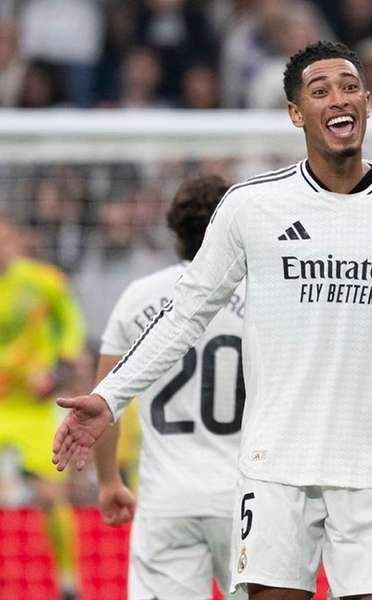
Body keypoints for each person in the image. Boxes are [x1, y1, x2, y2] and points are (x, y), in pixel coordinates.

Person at [51, 40, 372, 600]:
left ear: (367, 102)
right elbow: (183, 315)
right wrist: (111, 396)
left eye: (351, 86)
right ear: (295, 113)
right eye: (321, 90)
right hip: (275, 470)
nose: (340, 98)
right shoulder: (251, 205)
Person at [91, 175, 248, 600]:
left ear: (175, 233)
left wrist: (108, 482)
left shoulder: (138, 297)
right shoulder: (262, 298)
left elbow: (103, 403)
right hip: (248, 500)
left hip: (167, 501)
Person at [0, 217, 85, 600]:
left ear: (16, 240)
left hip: (32, 409)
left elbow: (71, 327)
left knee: (52, 495)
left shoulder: (44, 282)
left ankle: (69, 580)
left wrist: (57, 369)